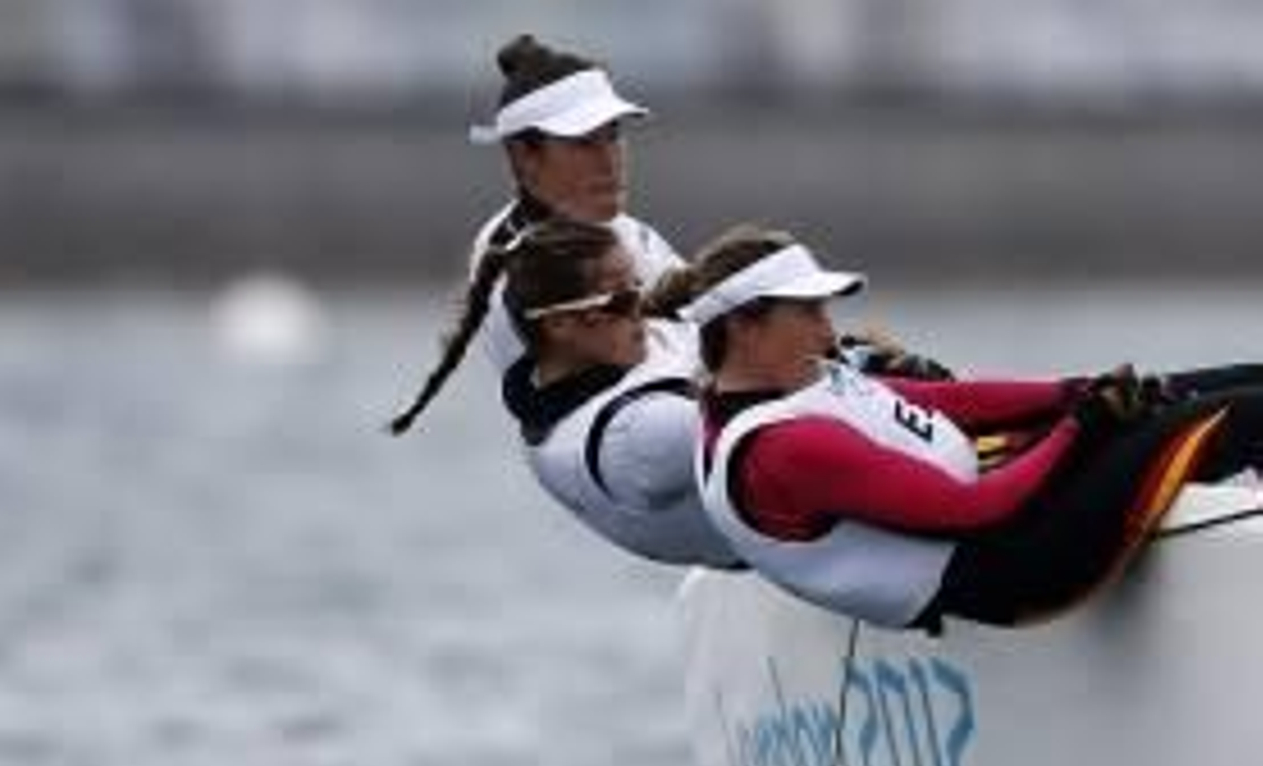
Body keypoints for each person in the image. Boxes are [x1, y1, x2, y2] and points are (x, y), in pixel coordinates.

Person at [651, 223, 1263, 629]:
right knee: (1250, 413)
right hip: (1019, 562)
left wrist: (1074, 392)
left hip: (1019, 515)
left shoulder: (791, 383)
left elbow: (949, 401)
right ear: (743, 328)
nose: (828, 331)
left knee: (1223, 380)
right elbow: (978, 510)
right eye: (809, 312)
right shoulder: (782, 448)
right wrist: (1083, 422)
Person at [387, 34, 686, 435]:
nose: (609, 159)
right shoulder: (526, 270)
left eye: (613, 133)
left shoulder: (610, 228)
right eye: (583, 142)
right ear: (523, 156)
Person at [490, 217, 743, 568]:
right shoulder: (635, 435)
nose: (640, 311)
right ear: (558, 325)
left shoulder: (588, 346)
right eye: (621, 301)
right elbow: (769, 411)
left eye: (638, 290)